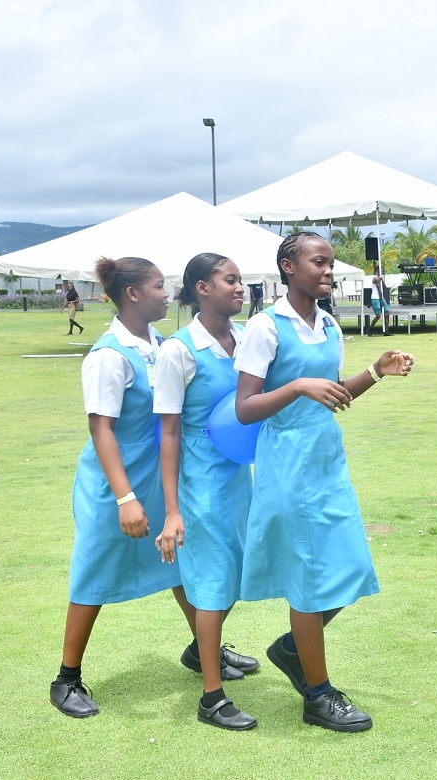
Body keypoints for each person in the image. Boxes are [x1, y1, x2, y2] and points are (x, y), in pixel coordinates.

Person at [233, 232, 414, 733]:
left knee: (350, 565)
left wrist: (376, 372)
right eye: (320, 262)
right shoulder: (265, 327)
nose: (330, 271)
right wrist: (294, 386)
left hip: (325, 460)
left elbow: (332, 395)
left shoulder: (330, 324)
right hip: (287, 462)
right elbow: (244, 409)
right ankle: (318, 695)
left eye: (331, 263)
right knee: (310, 580)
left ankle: (292, 650)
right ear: (288, 267)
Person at [51, 256, 246, 720]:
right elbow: (102, 432)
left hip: (159, 474)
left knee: (180, 563)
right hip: (115, 480)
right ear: (134, 294)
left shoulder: (160, 344)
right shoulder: (108, 355)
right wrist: (125, 498)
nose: (166, 293)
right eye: (159, 286)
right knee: (94, 569)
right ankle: (66, 677)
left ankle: (204, 650)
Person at [154, 253, 260, 731]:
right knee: (215, 577)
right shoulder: (178, 350)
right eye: (230, 280)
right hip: (201, 483)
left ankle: (203, 649)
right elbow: (169, 432)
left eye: (241, 281)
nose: (241, 288)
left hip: (237, 475)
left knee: (238, 568)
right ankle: (212, 698)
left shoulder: (243, 340)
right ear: (201, 288)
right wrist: (172, 510)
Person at [366, 265, 391, 336]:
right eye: (381, 271)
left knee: (387, 313)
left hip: (381, 297)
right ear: (378, 270)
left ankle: (386, 331)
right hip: (376, 298)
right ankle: (369, 330)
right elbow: (379, 289)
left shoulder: (379, 279)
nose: (382, 272)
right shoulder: (375, 278)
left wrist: (382, 280)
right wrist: (381, 300)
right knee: (378, 315)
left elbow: (384, 289)